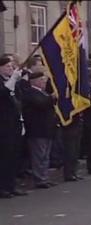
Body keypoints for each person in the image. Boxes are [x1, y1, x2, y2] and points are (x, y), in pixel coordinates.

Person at [22, 72, 58, 188]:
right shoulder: (30, 93)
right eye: (42, 80)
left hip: (47, 129)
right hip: (37, 129)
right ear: (34, 81)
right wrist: (51, 98)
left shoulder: (43, 93)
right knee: (39, 155)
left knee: (46, 155)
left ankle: (45, 176)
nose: (44, 82)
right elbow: (40, 104)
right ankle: (39, 178)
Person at [0, 56, 28, 198]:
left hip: (15, 124)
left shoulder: (15, 85)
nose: (10, 69)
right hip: (3, 126)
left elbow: (18, 104)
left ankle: (12, 185)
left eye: (11, 67)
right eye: (7, 67)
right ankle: (3, 187)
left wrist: (21, 121)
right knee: (4, 158)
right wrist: (12, 80)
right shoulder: (6, 83)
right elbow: (3, 93)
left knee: (14, 157)